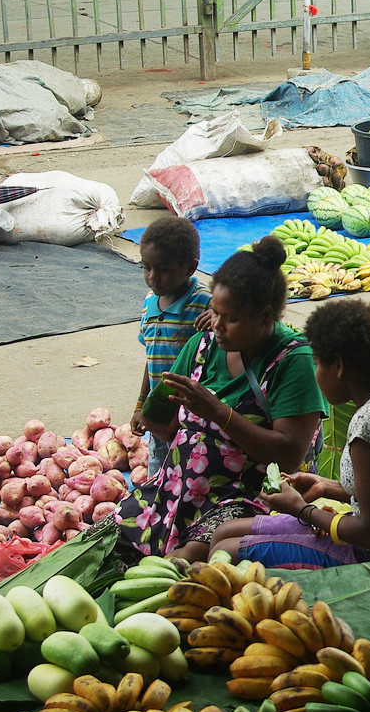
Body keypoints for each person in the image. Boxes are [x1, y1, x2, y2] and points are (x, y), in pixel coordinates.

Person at [117, 237, 326, 560]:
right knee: (108, 541)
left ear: (265, 316)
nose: (217, 326)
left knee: (177, 565)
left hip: (251, 498)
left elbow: (288, 455)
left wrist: (217, 412)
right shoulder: (202, 347)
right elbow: (161, 420)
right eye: (214, 313)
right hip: (177, 489)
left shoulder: (293, 361)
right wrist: (154, 414)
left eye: (230, 318)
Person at [211, 299, 370, 565]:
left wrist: (302, 510)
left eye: (317, 363)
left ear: (338, 367)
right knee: (224, 531)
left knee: (228, 553)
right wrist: (327, 486)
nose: (315, 373)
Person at [131, 216, 213, 480]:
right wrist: (141, 404)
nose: (153, 278)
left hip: (193, 420)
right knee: (158, 483)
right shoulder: (149, 304)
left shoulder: (204, 304)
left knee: (190, 479)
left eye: (163, 270)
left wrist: (218, 315)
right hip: (159, 418)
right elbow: (151, 359)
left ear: (190, 267)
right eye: (147, 268)